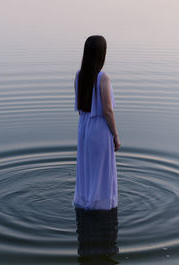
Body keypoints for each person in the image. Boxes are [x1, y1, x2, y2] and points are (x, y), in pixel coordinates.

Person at [72, 35, 121, 210]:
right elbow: (107, 110)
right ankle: (100, 205)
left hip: (84, 126)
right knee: (101, 171)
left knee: (86, 167)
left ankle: (85, 200)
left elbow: (80, 106)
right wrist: (115, 135)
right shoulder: (103, 78)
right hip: (99, 128)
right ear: (102, 54)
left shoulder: (79, 75)